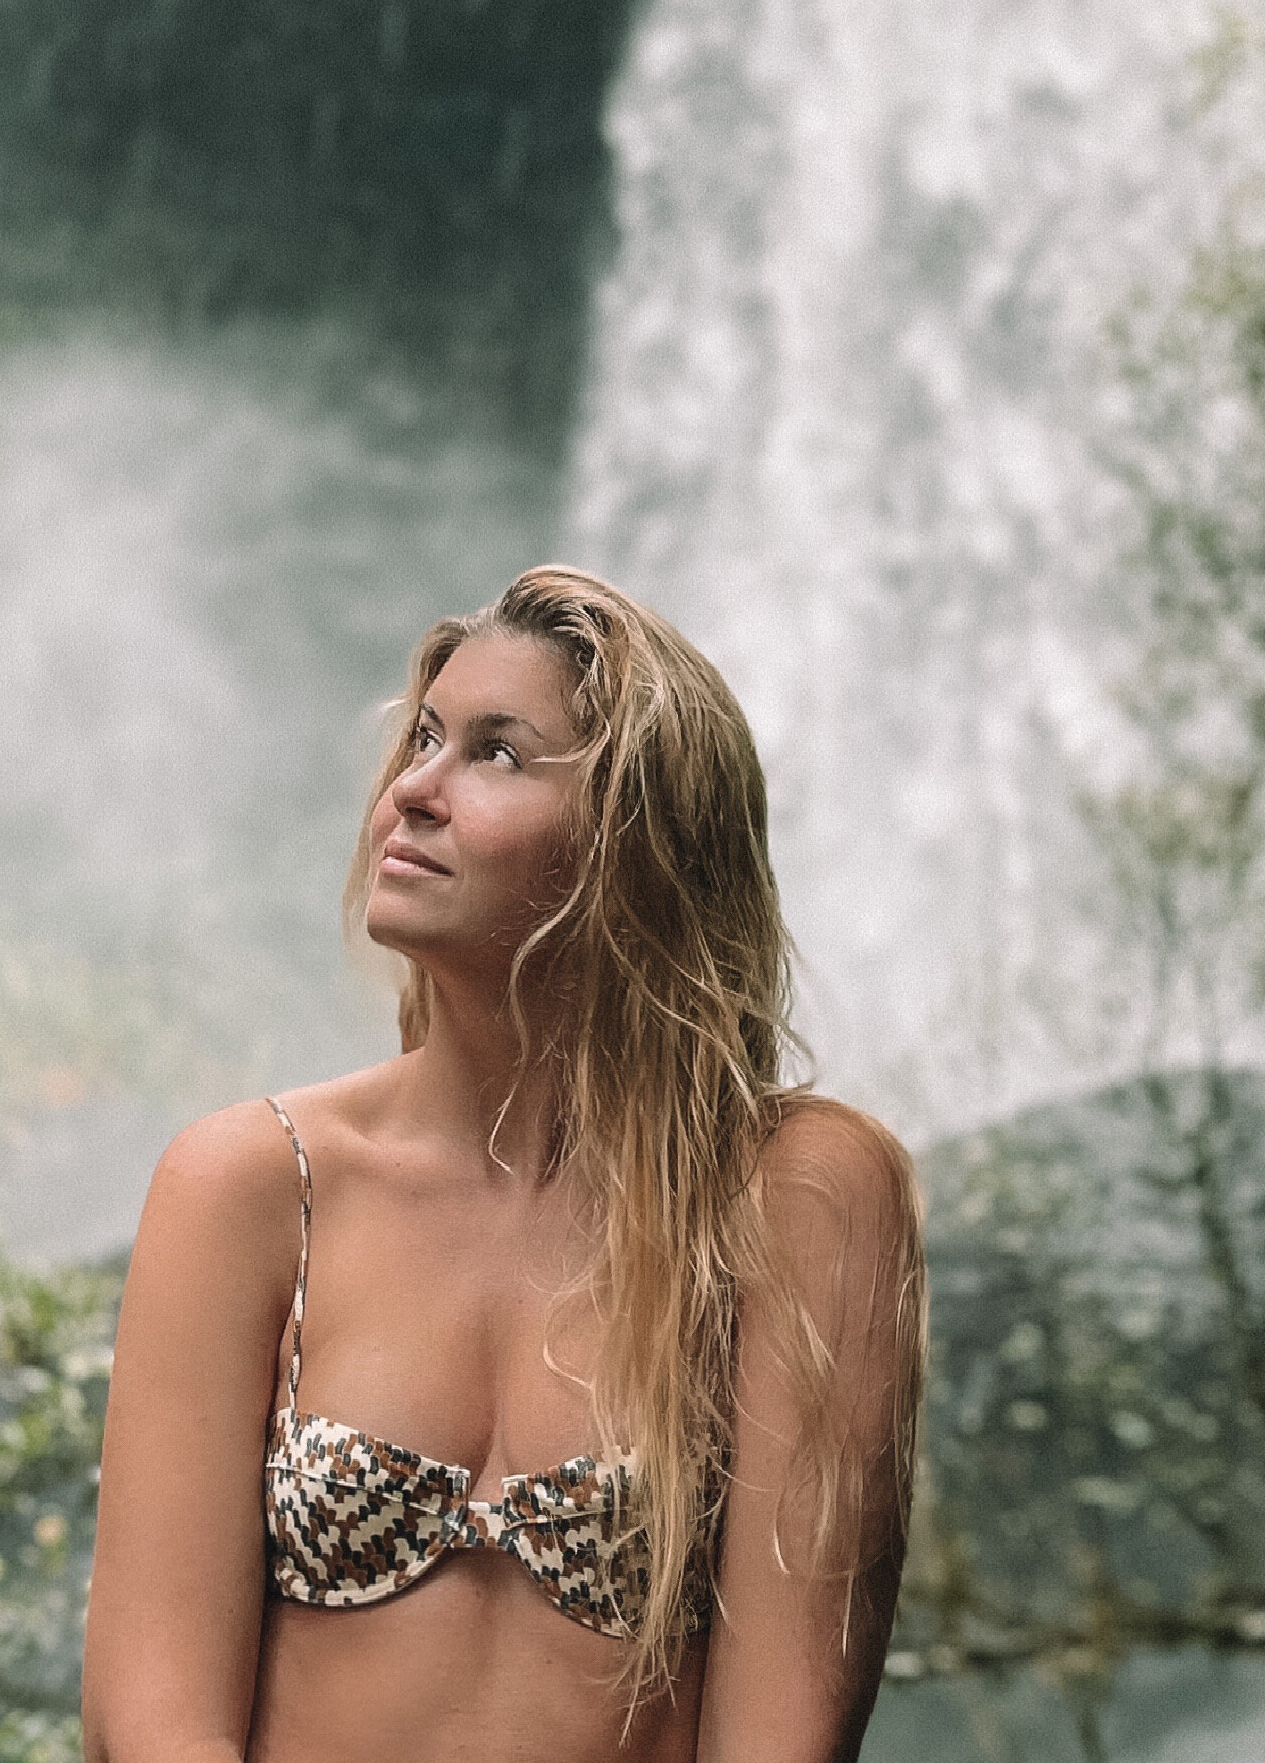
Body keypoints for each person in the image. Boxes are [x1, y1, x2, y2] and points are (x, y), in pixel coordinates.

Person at [82, 564, 927, 1763]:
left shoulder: (797, 1197)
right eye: (422, 738)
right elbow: (147, 1722)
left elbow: (785, 1738)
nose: (412, 791)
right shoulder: (252, 1188)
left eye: (495, 753)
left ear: (636, 840)